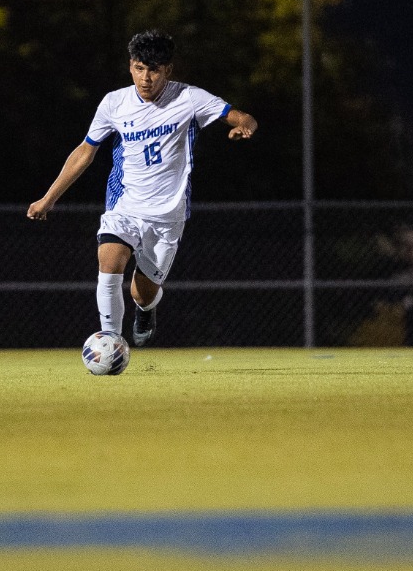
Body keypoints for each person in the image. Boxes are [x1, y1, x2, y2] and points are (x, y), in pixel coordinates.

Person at [27, 29, 257, 346]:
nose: (145, 78)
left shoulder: (189, 98)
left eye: (153, 70)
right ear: (130, 65)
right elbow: (85, 151)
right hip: (125, 205)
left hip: (167, 215)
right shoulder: (114, 103)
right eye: (139, 67)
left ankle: (146, 308)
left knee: (142, 290)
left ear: (168, 70)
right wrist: (48, 198)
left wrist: (244, 125)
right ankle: (109, 341)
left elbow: (241, 116)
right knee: (109, 263)